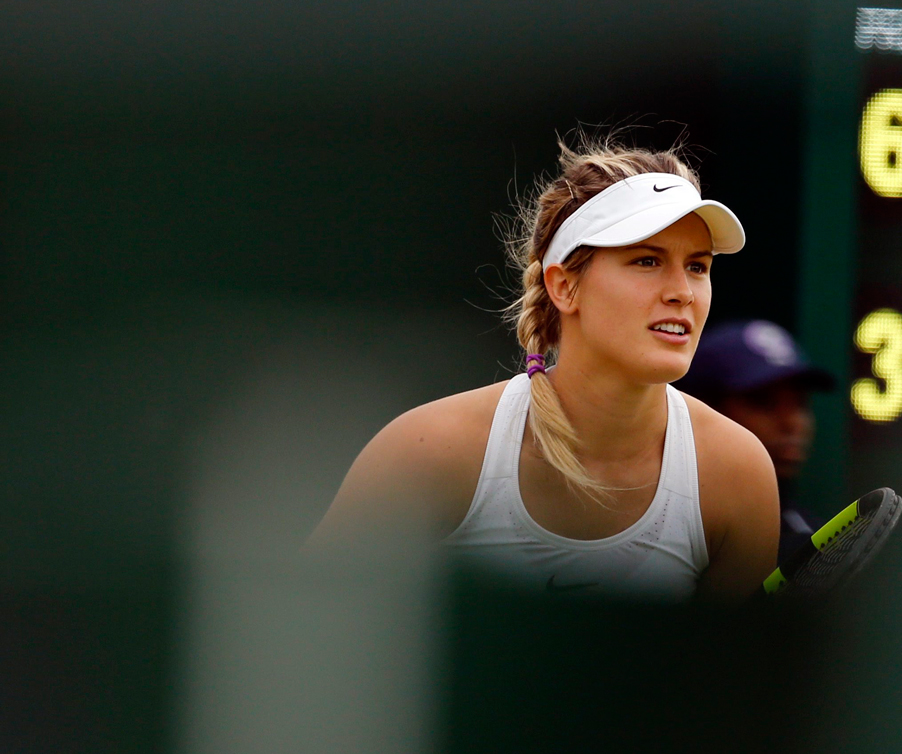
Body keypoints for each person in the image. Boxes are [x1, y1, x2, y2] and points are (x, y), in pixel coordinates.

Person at [306, 137, 779, 602]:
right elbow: (301, 623)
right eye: (647, 260)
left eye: (697, 267)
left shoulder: (738, 474)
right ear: (564, 287)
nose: (683, 292)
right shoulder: (429, 452)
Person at [674, 320, 835, 562]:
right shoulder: (652, 527)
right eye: (763, 402)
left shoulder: (814, 541)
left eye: (800, 404)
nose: (792, 423)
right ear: (702, 407)